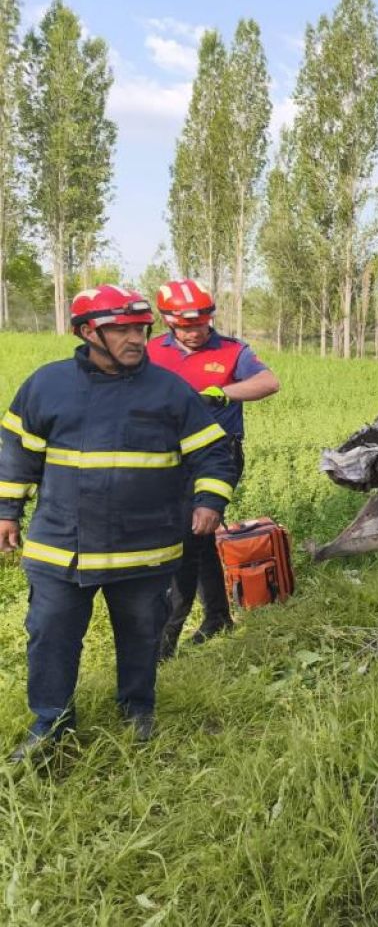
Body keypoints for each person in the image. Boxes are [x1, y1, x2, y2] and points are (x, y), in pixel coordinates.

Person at [0, 286, 239, 761]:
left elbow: (214, 451)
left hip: (144, 546)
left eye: (141, 329)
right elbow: (15, 452)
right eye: (122, 330)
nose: (136, 339)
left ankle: (137, 712)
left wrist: (209, 499)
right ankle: (51, 723)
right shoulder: (46, 385)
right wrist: (7, 510)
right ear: (89, 332)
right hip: (60, 548)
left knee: (142, 633)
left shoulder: (170, 391)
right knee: (50, 635)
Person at [147, 280, 280, 656]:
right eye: (186, 326)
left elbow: (269, 382)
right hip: (168, 457)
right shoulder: (151, 351)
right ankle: (218, 617)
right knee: (202, 538)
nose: (194, 332)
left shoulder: (233, 350)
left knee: (188, 539)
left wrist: (223, 391)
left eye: (201, 324)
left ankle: (165, 640)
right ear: (168, 321)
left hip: (217, 457)